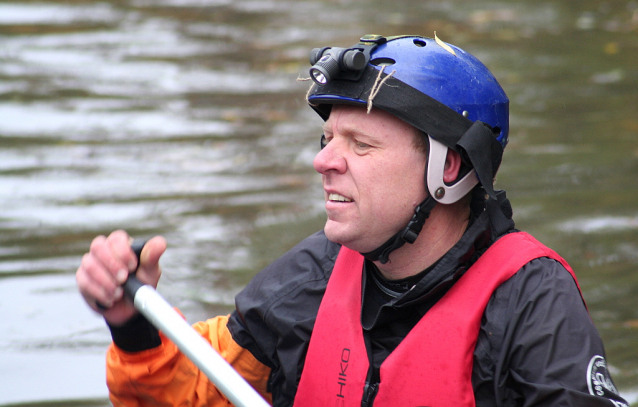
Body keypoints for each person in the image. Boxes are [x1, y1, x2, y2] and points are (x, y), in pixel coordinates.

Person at [76, 34, 629, 407]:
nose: (324, 161)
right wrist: (132, 325)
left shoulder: (531, 300)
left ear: (449, 166)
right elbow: (193, 392)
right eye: (326, 140)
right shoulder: (313, 275)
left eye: (360, 145)